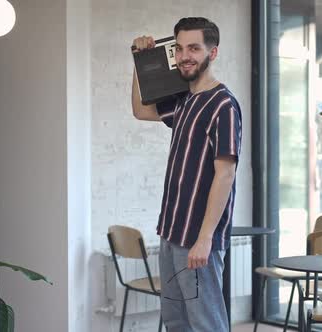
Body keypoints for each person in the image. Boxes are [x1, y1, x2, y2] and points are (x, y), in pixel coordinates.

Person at [131, 17, 242, 332]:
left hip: (196, 238)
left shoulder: (223, 105)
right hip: (170, 232)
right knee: (177, 322)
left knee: (206, 324)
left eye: (194, 48)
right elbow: (140, 110)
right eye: (179, 48)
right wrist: (139, 60)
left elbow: (225, 175)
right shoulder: (184, 101)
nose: (184, 56)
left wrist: (205, 239)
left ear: (213, 52)